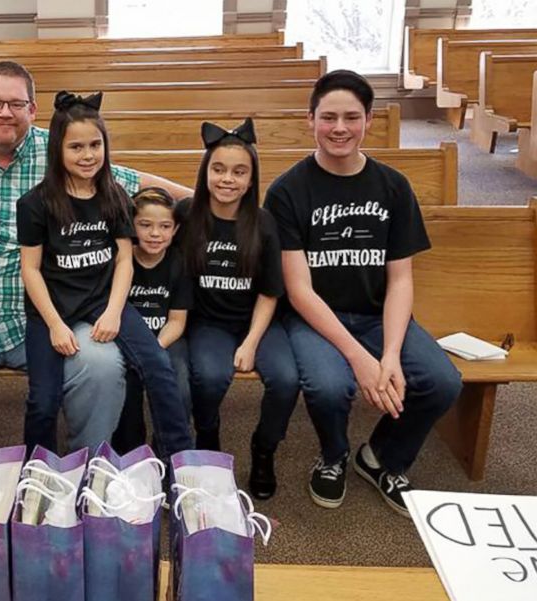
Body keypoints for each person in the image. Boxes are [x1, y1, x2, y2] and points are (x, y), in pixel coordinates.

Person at [0, 61, 193, 449]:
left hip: (51, 314)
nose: (5, 113)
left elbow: (127, 179)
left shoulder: (61, 151)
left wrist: (205, 197)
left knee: (101, 364)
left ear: (33, 110)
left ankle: (88, 460)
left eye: (16, 104)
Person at [264, 71, 462, 516]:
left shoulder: (393, 186)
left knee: (442, 382)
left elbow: (401, 280)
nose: (340, 127)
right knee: (330, 386)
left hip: (377, 315)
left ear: (369, 120)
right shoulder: (287, 191)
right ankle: (333, 456)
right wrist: (359, 358)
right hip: (315, 318)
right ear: (310, 119)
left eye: (352, 117)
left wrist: (389, 355)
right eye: (329, 117)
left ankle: (381, 458)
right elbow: (298, 290)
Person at [17, 90, 193, 456]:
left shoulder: (114, 196)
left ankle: (179, 461)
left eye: (95, 145)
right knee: (43, 401)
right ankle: (37, 473)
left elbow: (124, 260)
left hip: (102, 300)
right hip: (52, 309)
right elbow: (31, 270)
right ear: (58, 151)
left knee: (159, 369)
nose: (87, 155)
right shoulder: (34, 204)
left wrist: (114, 311)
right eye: (76, 147)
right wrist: (54, 324)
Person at [181, 119, 300, 500]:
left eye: (239, 172)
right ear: (205, 173)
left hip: (257, 322)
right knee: (210, 376)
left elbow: (269, 293)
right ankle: (208, 432)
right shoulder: (187, 215)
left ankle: (264, 448)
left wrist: (251, 343)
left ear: (251, 180)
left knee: (285, 379)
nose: (227, 179)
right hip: (208, 322)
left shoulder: (263, 224)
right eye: (218, 169)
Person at [110, 187, 192, 455]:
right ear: (132, 226)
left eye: (164, 226)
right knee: (126, 385)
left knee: (177, 378)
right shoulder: (121, 261)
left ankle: (167, 452)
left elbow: (177, 321)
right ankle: (130, 453)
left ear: (175, 230)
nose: (155, 234)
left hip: (166, 338)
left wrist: (153, 350)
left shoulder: (180, 263)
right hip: (125, 341)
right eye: (145, 225)